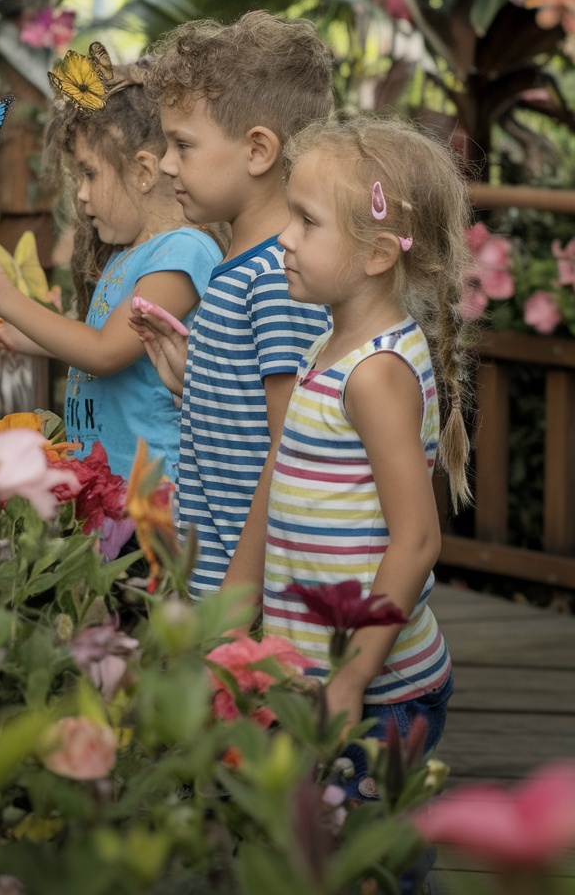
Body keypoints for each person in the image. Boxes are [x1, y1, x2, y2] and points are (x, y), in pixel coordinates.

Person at [229, 111, 472, 800]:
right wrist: (231, 612)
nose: (284, 237)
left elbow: (417, 540)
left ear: (376, 255)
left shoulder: (375, 374)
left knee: (368, 865)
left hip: (379, 694)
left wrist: (351, 680)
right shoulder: (327, 348)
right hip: (315, 680)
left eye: (306, 221)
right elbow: (278, 477)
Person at [134, 11, 334, 595]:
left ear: (257, 151)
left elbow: (287, 451)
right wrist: (192, 379)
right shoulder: (239, 268)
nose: (167, 164)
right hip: (216, 578)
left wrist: (237, 599)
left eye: (183, 145)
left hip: (246, 595)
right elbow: (245, 419)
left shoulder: (278, 279)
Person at [0, 57, 222, 482]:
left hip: (151, 496)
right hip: (107, 490)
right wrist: (8, 331)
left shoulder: (182, 253)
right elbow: (88, 344)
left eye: (88, 173)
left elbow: (104, 352)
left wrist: (10, 299)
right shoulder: (128, 255)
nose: (80, 195)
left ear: (143, 172)